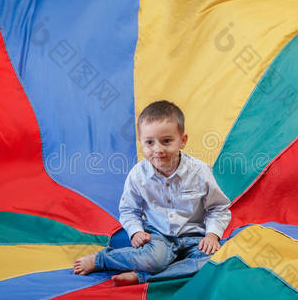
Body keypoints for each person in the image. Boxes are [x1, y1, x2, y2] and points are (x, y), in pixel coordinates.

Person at [73, 100, 231, 286]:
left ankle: (142, 277)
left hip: (194, 237)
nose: (158, 150)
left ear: (183, 140)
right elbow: (129, 210)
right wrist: (136, 232)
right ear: (141, 143)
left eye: (166, 141)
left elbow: (218, 208)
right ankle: (102, 260)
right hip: (159, 236)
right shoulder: (138, 175)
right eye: (149, 142)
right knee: (153, 260)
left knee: (212, 261)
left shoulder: (199, 172)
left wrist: (212, 235)